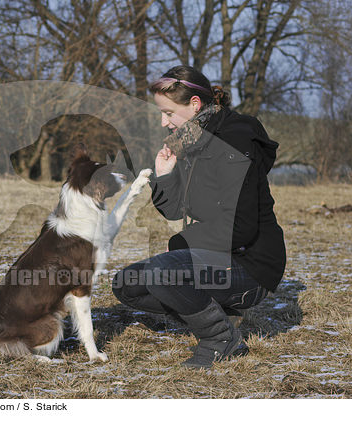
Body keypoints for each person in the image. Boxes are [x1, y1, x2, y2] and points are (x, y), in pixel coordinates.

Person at [112, 65, 286, 369]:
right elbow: (175, 209)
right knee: (126, 284)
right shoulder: (191, 141)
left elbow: (241, 227)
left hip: (252, 265)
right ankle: (213, 311)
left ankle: (220, 338)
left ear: (194, 104)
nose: (164, 122)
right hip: (215, 255)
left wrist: (181, 242)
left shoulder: (235, 141)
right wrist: (165, 177)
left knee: (161, 271)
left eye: (168, 113)